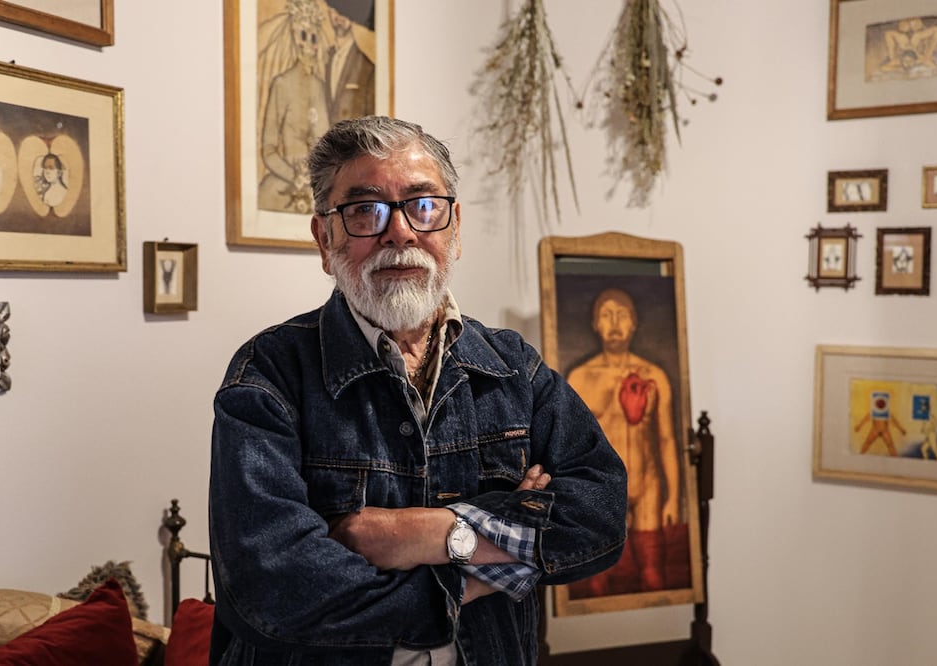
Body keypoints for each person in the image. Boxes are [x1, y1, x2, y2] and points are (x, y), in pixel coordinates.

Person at [209, 115, 627, 665]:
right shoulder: (269, 373)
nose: (400, 232)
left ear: (454, 227)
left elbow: (600, 516)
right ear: (323, 236)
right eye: (364, 210)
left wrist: (437, 532)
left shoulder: (512, 367)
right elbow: (270, 588)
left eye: (423, 205)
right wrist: (478, 574)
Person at [565, 288, 681, 596]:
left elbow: (667, 439)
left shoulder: (654, 375)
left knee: (654, 577)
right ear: (595, 324)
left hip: (647, 483)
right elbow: (567, 447)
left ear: (633, 324)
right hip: (600, 487)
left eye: (622, 314)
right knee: (598, 583)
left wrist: (673, 496)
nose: (614, 322)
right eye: (606, 314)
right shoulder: (579, 378)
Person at [257, 0, 330, 213]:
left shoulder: (320, 87)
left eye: (313, 38)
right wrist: (293, 176)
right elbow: (268, 149)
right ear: (293, 37)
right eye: (303, 36)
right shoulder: (281, 84)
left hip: (318, 187)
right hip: (286, 181)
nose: (308, 45)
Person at [324, 0, 376, 124]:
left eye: (345, 13)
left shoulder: (367, 68)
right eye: (335, 10)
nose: (339, 17)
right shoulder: (323, 59)